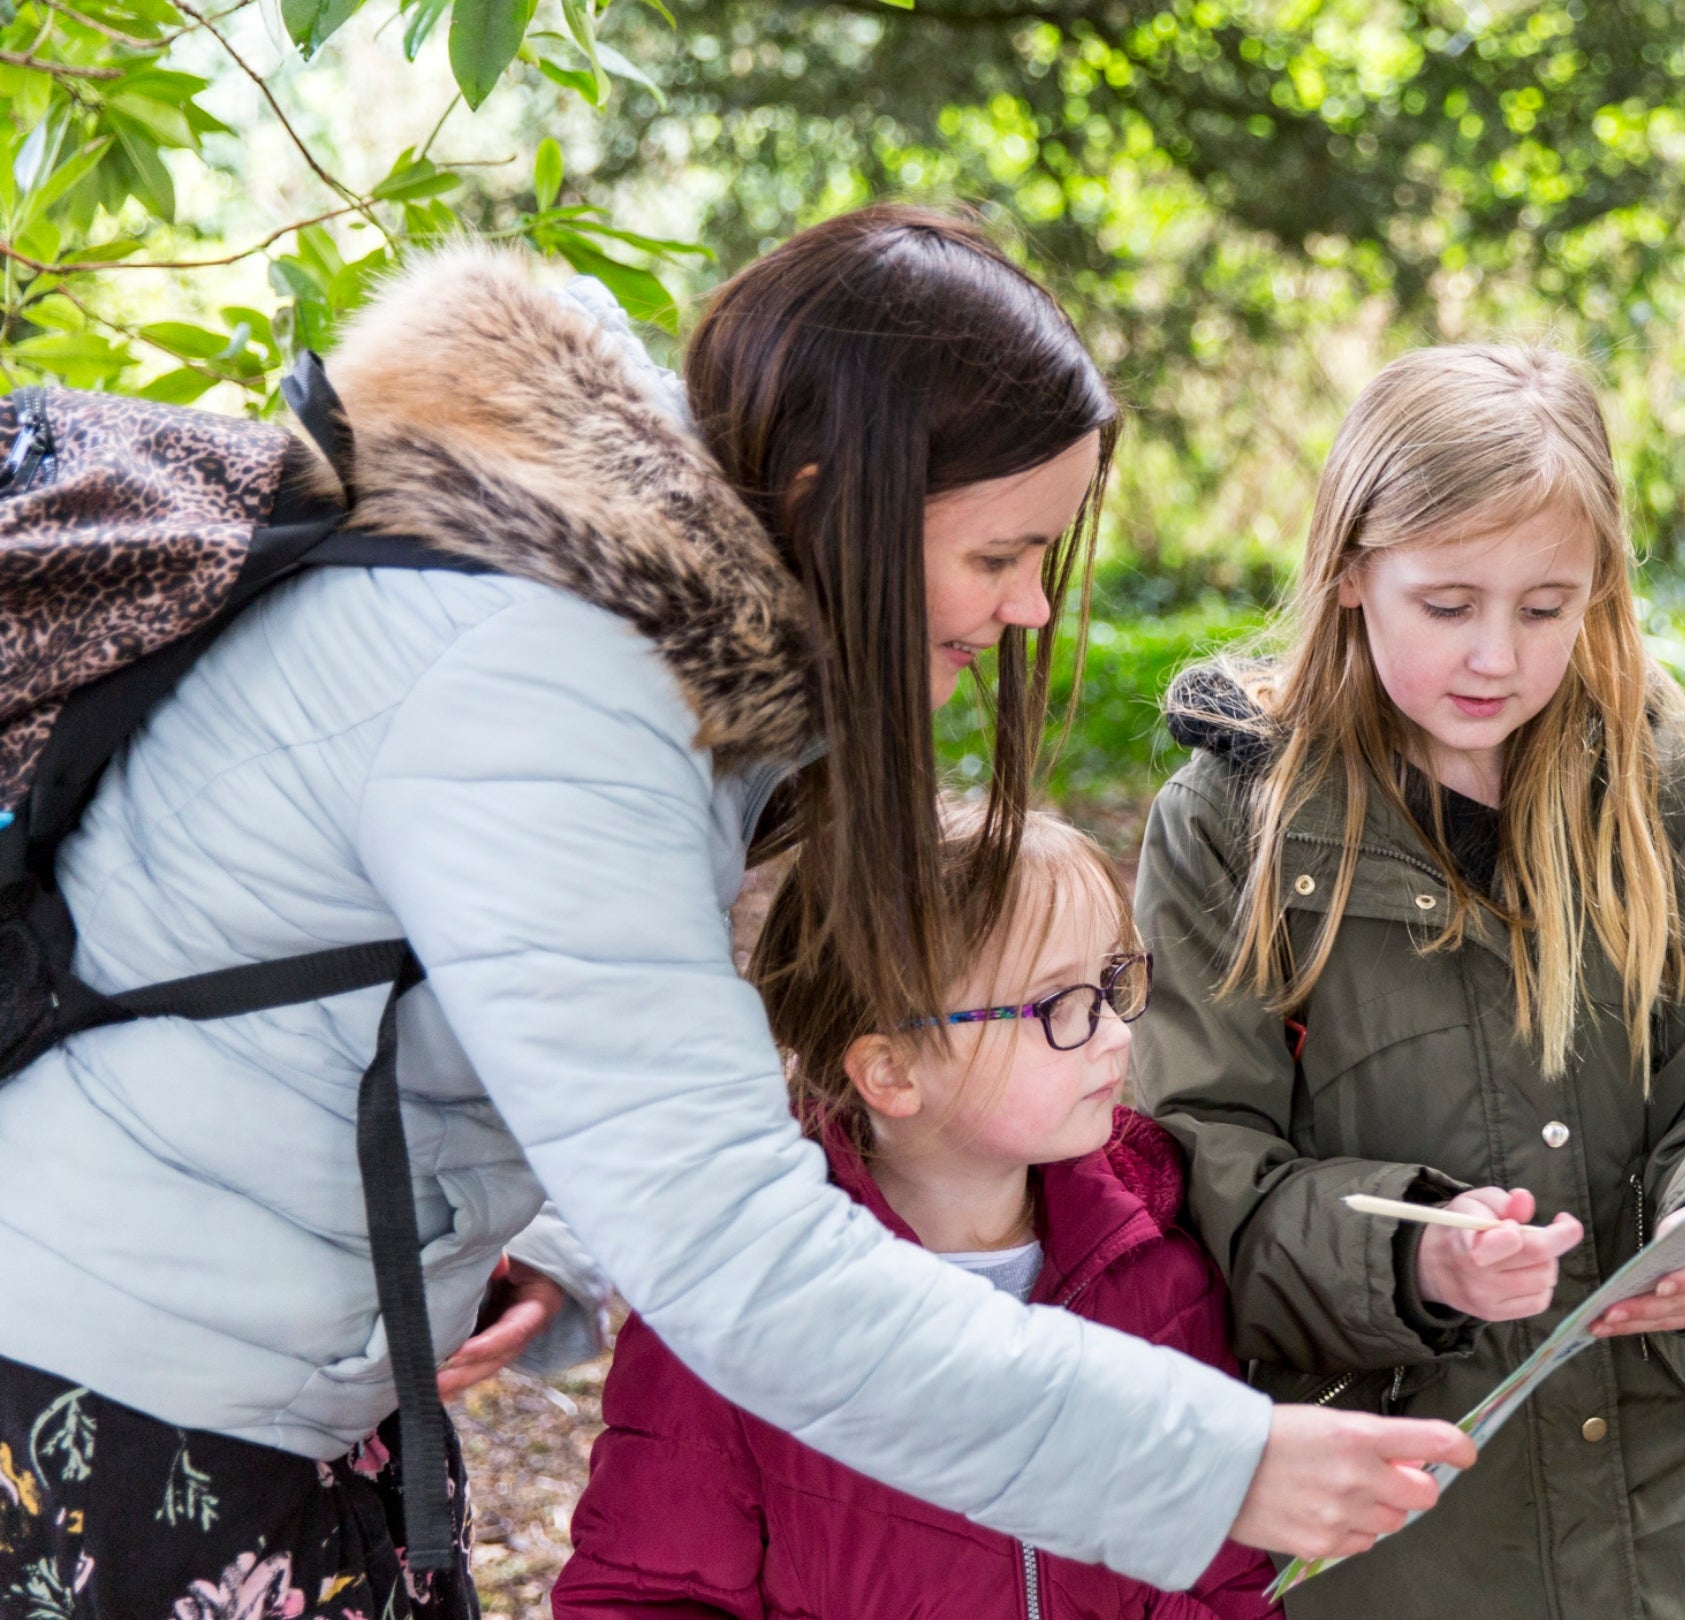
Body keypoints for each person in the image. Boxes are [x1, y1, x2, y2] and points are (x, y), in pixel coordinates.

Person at [0, 207, 1466, 1617]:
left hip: (226, 1388)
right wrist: (1214, 1463)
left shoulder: (599, 630)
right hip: (122, 1402)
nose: (1029, 611)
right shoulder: (548, 681)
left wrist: (533, 1233)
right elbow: (739, 1257)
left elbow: (559, 1027)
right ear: (836, 508)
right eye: (1000, 556)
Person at [1131, 344, 1685, 1620]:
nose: (1497, 659)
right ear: (1353, 573)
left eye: (1546, 607)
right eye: (1448, 605)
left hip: (1639, 1505)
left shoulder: (1662, 784)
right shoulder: (1235, 820)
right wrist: (1416, 1261)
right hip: (1380, 1520)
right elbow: (1194, 1171)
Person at [557, 806, 1277, 1619]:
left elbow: (1225, 1573)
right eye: (1060, 1006)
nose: (1114, 1034)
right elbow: (644, 1596)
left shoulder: (1159, 1271)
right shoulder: (733, 1309)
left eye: (1113, 984)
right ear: (893, 1072)